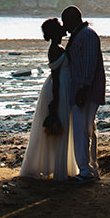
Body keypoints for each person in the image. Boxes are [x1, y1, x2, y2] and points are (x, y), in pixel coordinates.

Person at [19, 18, 78, 181]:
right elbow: (57, 77)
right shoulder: (56, 49)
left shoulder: (57, 48)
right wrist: (56, 100)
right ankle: (60, 166)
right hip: (58, 88)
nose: (64, 29)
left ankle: (59, 165)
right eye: (60, 27)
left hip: (60, 87)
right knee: (62, 124)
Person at [61, 5, 106, 183]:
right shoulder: (82, 34)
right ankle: (89, 167)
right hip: (84, 89)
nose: (65, 26)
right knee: (86, 129)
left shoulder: (87, 35)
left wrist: (82, 90)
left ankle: (86, 170)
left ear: (73, 19)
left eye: (66, 21)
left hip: (86, 90)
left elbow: (88, 65)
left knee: (82, 130)